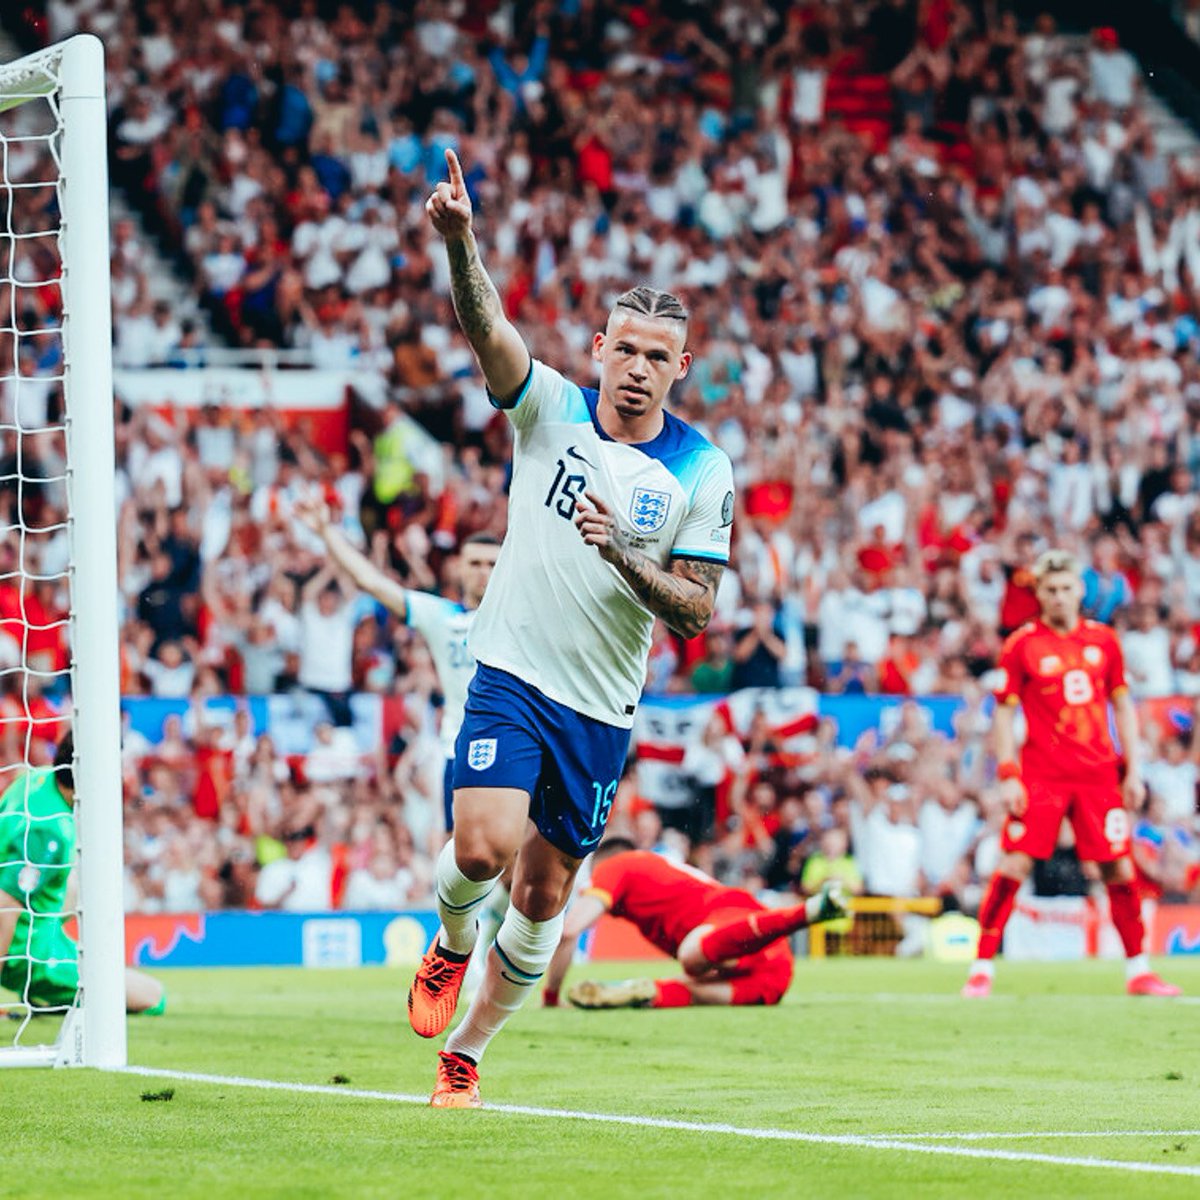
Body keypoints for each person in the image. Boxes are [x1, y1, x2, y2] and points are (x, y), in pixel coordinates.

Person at [412, 148, 734, 1107]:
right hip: (511, 671)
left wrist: (621, 557)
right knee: (481, 850)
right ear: (597, 349)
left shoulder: (702, 473)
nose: (636, 368)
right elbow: (488, 327)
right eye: (622, 348)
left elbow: (696, 612)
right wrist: (463, 243)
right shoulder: (549, 409)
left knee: (546, 898)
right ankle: (450, 939)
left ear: (683, 365)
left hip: (598, 706)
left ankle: (465, 1054)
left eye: (655, 355)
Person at [962, 550, 1180, 998]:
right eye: (1050, 590)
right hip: (1042, 773)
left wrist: (1133, 769)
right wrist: (1008, 772)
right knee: (1014, 862)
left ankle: (1138, 969)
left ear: (1080, 590)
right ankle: (982, 966)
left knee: (1118, 867)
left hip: (1099, 774)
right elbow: (1003, 715)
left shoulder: (1104, 641)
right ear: (1039, 594)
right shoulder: (1022, 644)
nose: (1059, 597)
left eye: (1066, 588)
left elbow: (1122, 705)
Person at [294, 494, 501, 834]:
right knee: (460, 854)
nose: (483, 573)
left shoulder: (520, 621)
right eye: (475, 563)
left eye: (492, 564)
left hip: (511, 746)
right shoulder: (442, 617)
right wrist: (326, 532)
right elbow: (371, 582)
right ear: (459, 568)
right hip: (458, 747)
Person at [542, 839, 849, 1009]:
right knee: (690, 989)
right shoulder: (656, 871)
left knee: (691, 957)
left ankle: (805, 912)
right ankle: (637, 992)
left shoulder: (616, 864)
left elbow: (570, 930)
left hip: (737, 928)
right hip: (772, 978)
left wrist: (550, 998)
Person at [0, 734, 163, 1014]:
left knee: (72, 881)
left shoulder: (34, 778)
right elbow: (6, 905)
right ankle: (50, 999)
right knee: (153, 996)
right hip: (27, 957)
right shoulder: (51, 831)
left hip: (41, 930)